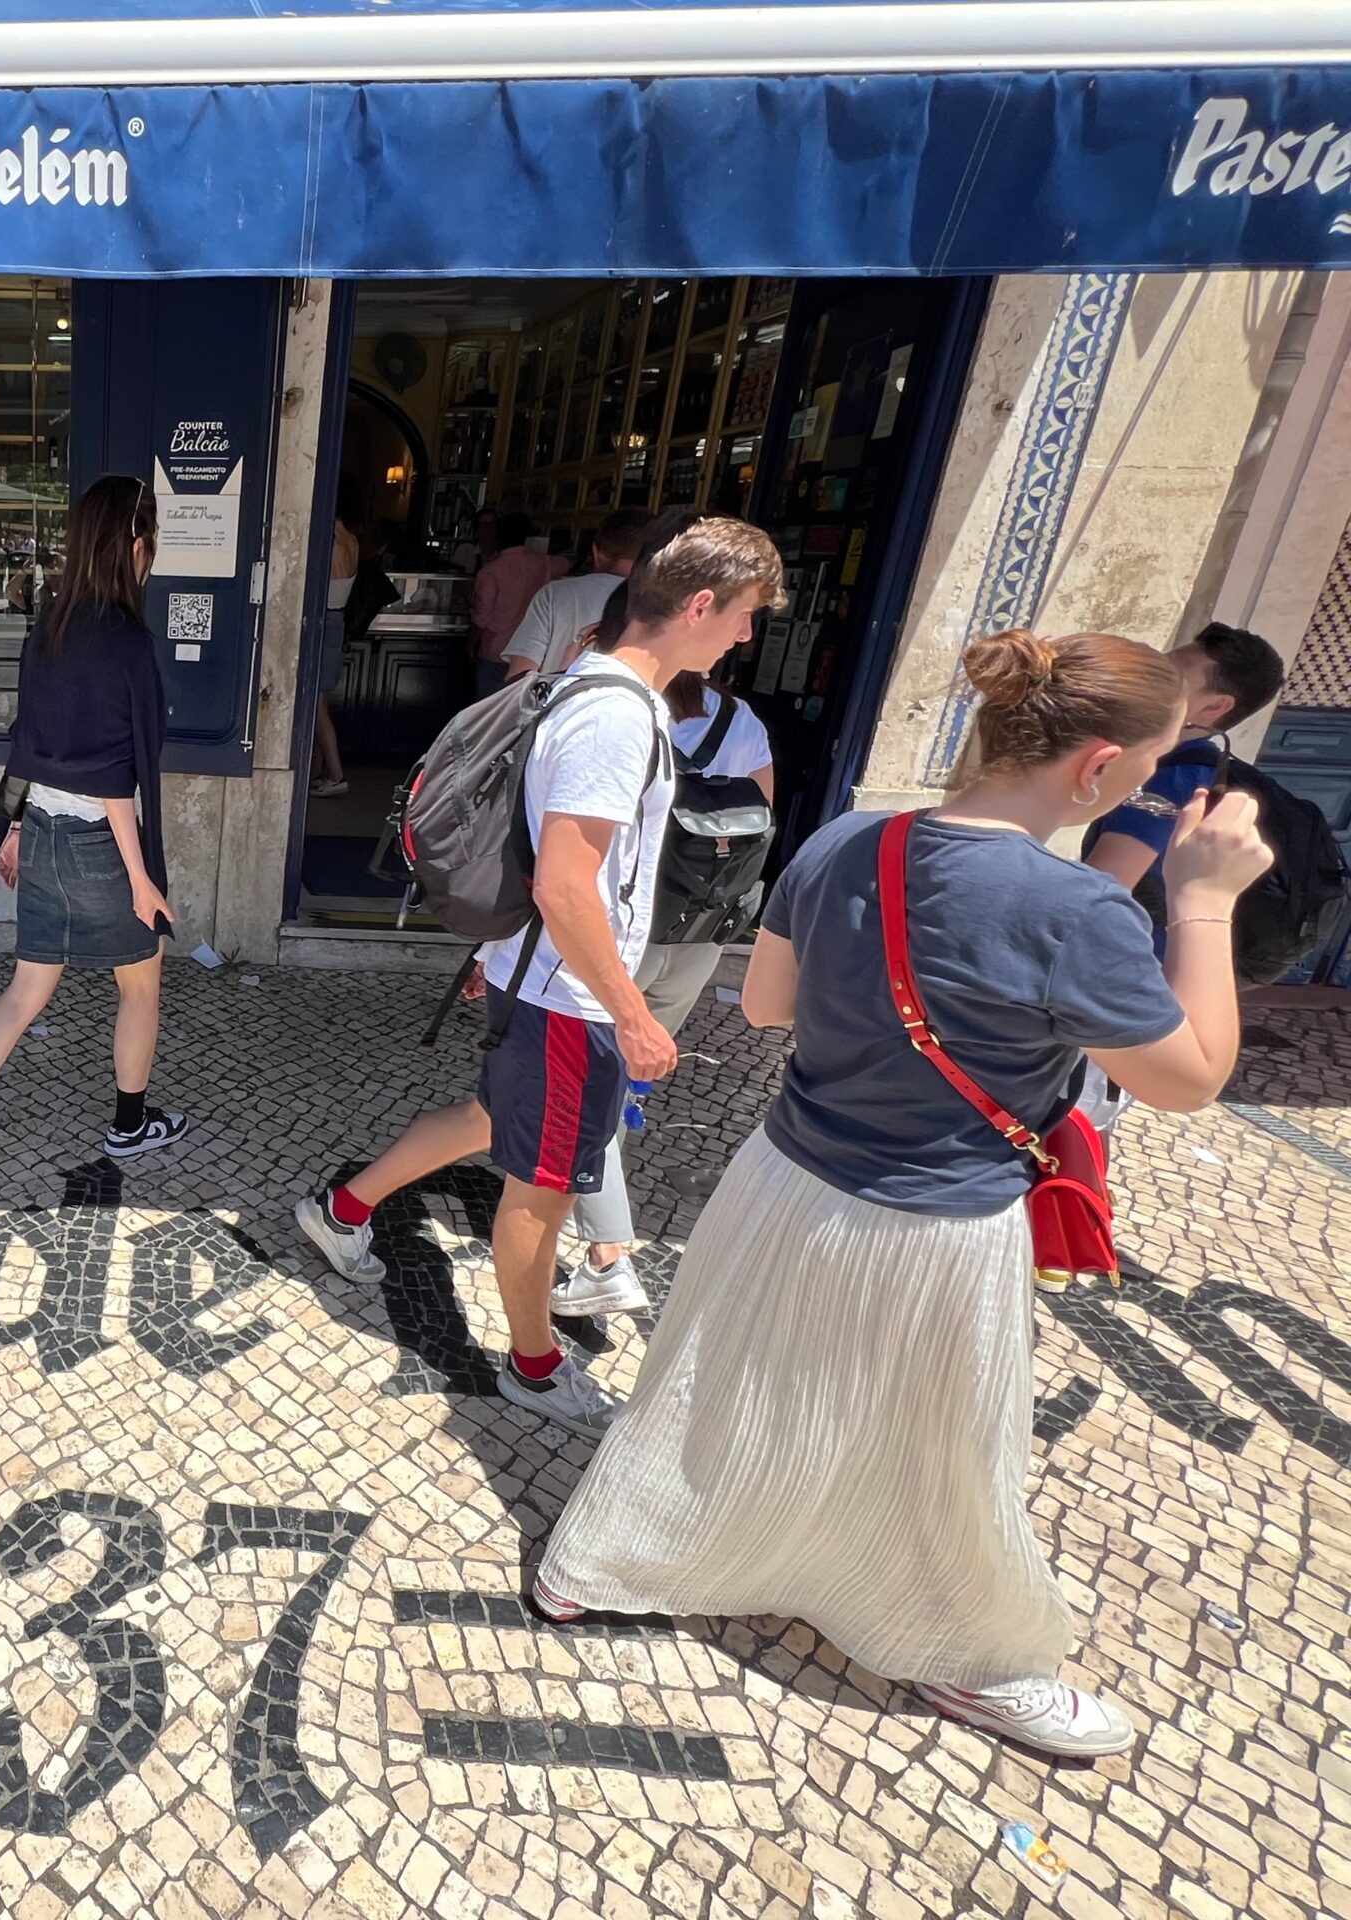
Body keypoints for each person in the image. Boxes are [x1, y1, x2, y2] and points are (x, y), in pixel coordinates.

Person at [533, 630, 1270, 1759]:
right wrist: (1205, 900)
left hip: (779, 1182)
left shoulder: (845, 841)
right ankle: (964, 1657)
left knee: (722, 1387)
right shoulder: (1079, 913)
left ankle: (609, 1565)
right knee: (943, 1448)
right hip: (935, 1219)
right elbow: (1190, 1080)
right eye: (1154, 769)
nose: (1156, 793)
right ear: (1095, 769)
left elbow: (768, 1007)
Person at [297, 515, 786, 1438]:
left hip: (543, 979)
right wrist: (633, 1015)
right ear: (697, 605)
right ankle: (532, 1363)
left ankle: (342, 1206)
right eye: (745, 615)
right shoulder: (616, 714)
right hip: (570, 995)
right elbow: (566, 882)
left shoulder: (589, 685)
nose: (746, 637)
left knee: (494, 1119)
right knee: (542, 1190)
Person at [0, 475, 186, 1187]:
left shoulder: (50, 629)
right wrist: (142, 880)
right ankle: (130, 1124)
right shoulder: (127, 643)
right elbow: (115, 780)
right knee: (140, 989)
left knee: (25, 992)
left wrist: (10, 828)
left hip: (41, 833)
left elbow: (27, 740)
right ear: (135, 545)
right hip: (102, 844)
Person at [557, 632, 778, 1314]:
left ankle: (606, 1255)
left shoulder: (616, 714)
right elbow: (763, 820)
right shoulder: (743, 721)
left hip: (624, 932)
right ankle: (592, 1182)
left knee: (589, 1082)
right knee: (619, 1078)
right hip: (703, 936)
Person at [1085, 621, 1288, 940]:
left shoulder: (1177, 778)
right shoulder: (1188, 765)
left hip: (1122, 961)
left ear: (1215, 707)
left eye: (1169, 677)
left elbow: (1096, 889)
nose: (1147, 680)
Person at [499, 509, 652, 685]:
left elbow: (519, 675)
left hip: (557, 708)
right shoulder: (664, 606)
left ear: (596, 552)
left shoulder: (555, 595)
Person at [469, 512, 564, 700]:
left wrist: (470, 643)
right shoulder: (544, 562)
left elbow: (482, 617)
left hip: (495, 650)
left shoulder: (491, 571)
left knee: (488, 710)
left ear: (497, 536)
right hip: (533, 652)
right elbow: (567, 563)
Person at [311, 492, 357, 799]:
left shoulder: (330, 544)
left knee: (316, 706)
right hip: (337, 619)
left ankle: (337, 774)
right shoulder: (351, 540)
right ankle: (323, 770)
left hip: (323, 620)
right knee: (321, 703)